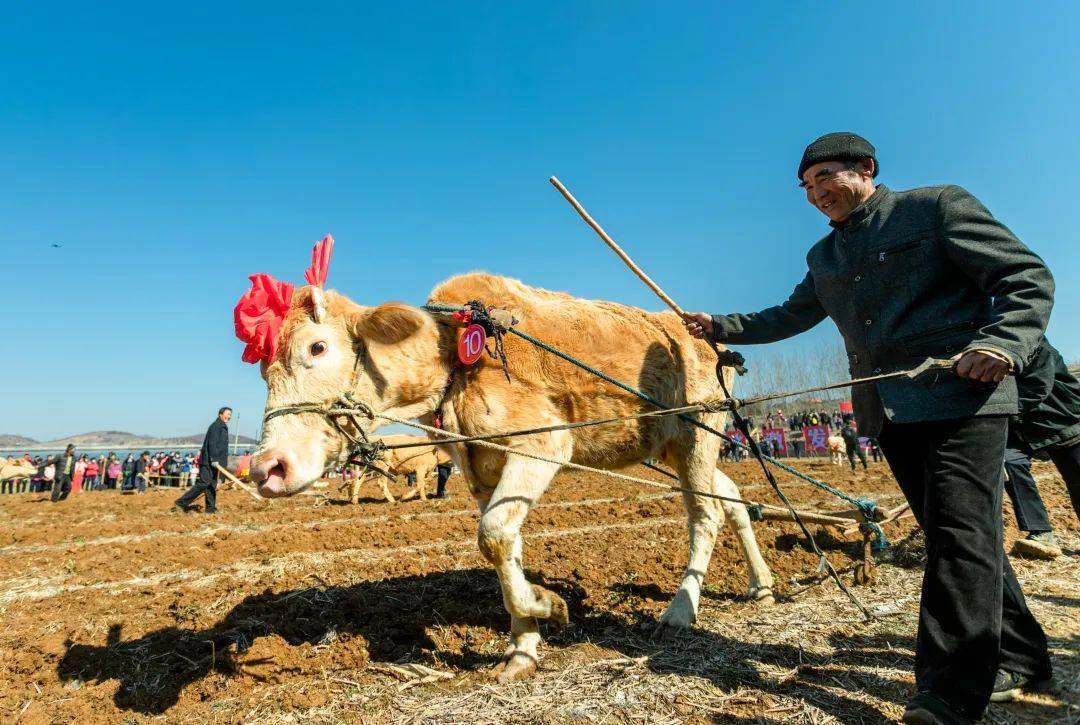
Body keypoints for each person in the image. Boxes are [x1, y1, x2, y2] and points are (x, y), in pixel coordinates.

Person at [683, 132, 1055, 723]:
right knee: (955, 536)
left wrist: (1001, 343)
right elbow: (789, 315)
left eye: (824, 177)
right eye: (806, 186)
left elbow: (1025, 277)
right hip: (888, 412)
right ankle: (1025, 659)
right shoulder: (824, 257)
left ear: (865, 169)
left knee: (961, 539)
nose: (815, 193)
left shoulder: (934, 208)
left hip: (963, 399)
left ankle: (949, 694)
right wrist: (718, 325)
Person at [1002, 336, 1080, 559]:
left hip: (1060, 417)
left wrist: (1000, 412)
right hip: (1020, 424)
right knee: (1010, 461)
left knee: (1077, 475)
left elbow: (1038, 386)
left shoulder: (1029, 339)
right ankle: (1042, 534)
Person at [174, 407, 231, 514]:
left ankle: (210, 509)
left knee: (211, 485)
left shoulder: (222, 426)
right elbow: (212, 444)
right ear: (220, 414)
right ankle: (180, 503)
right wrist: (214, 459)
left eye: (230, 415)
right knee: (204, 483)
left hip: (215, 463)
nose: (229, 417)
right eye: (227, 414)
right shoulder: (216, 426)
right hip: (208, 462)